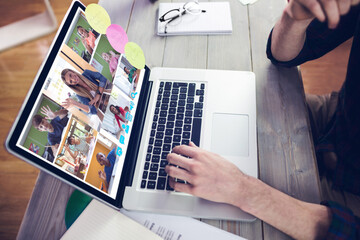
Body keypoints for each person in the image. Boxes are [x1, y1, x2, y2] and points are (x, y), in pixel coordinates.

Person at [165, 0, 360, 239]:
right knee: (217, 106)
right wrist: (296, 17)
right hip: (337, 122)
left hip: (349, 205)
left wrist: (243, 189)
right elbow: (283, 55)